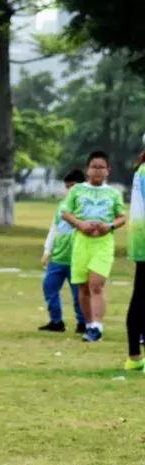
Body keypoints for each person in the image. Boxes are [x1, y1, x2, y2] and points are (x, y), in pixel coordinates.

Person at [62, 151, 126, 343]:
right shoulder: (77, 190)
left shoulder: (113, 193)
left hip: (103, 243)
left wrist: (110, 226)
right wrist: (80, 224)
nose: (97, 171)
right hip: (82, 241)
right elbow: (66, 213)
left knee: (96, 285)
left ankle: (97, 325)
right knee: (82, 286)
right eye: (94, 167)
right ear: (87, 170)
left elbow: (121, 217)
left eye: (101, 167)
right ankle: (89, 324)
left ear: (108, 171)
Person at [38, 169, 87, 334]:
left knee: (77, 294)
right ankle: (56, 321)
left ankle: (82, 323)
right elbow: (54, 228)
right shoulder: (63, 205)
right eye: (67, 187)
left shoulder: (87, 207)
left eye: (73, 186)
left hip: (77, 257)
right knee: (49, 287)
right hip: (58, 257)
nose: (70, 190)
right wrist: (47, 250)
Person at [125, 139, 145, 369]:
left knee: (140, 295)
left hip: (140, 241)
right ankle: (133, 356)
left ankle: (134, 356)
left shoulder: (141, 169)